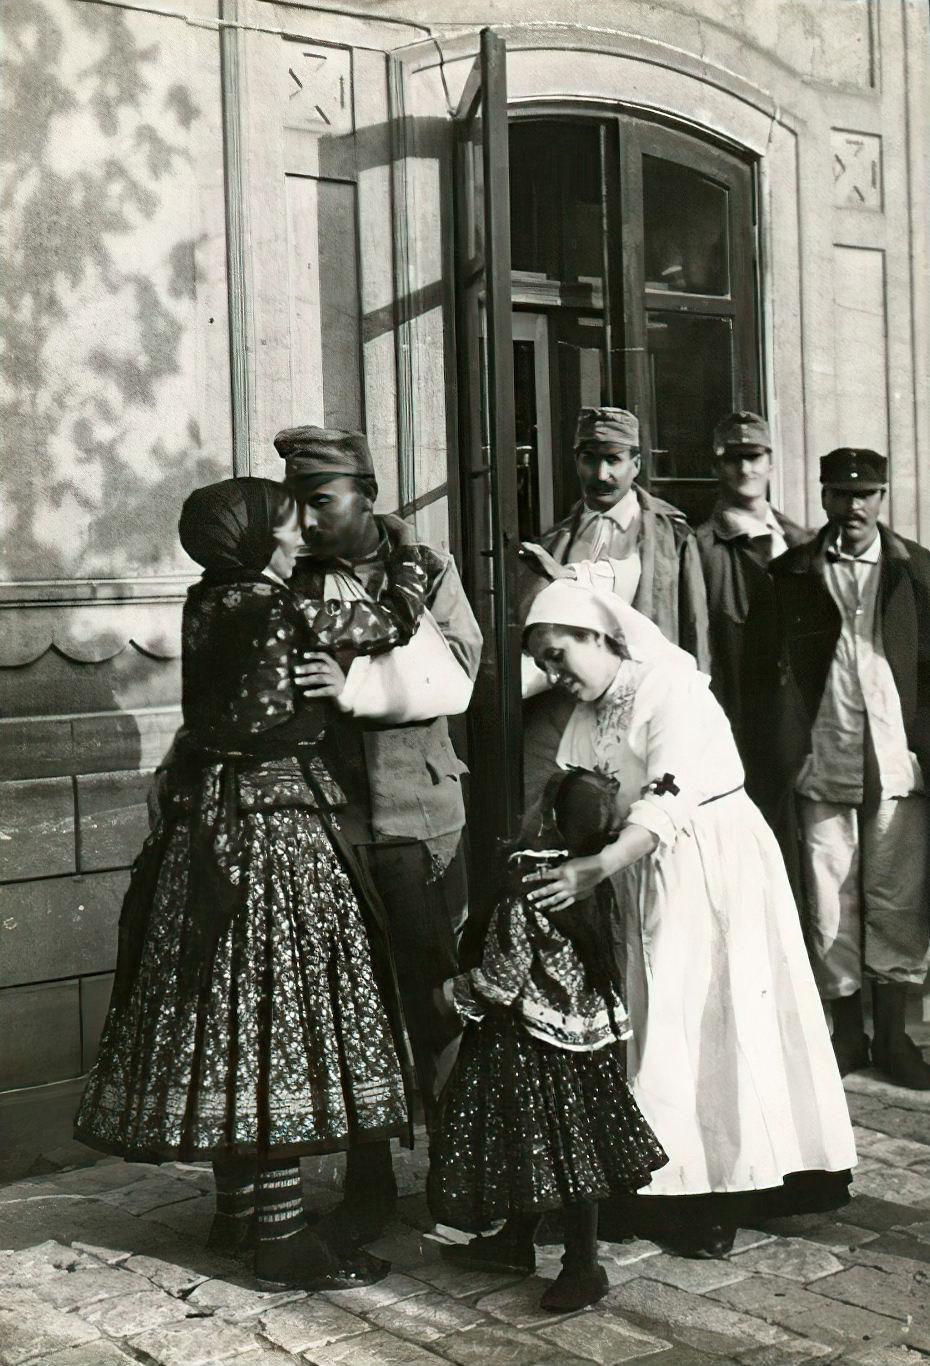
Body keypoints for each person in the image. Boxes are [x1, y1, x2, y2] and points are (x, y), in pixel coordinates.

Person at [74, 477, 435, 1290]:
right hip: (273, 830)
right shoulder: (276, 607)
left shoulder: (207, 601)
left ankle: (237, 1213)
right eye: (285, 515)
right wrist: (410, 555)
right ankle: (281, 1238)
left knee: (227, 1010)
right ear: (257, 538)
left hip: (209, 829)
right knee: (280, 1016)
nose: (298, 523)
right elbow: (391, 620)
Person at [521, 580, 857, 1257]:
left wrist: (597, 867)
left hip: (709, 859)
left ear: (599, 635)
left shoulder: (672, 689)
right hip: (640, 870)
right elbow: (569, 789)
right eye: (545, 664)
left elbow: (668, 796)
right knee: (651, 1020)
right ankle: (657, 1179)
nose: (554, 675)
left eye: (560, 656)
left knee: (709, 1014)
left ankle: (723, 1188)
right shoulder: (589, 709)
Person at [276, 425, 483, 1244]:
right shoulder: (291, 574)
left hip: (416, 820)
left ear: (366, 493)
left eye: (321, 501)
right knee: (350, 1010)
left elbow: (459, 672)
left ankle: (457, 1172)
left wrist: (357, 681)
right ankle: (368, 1183)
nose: (307, 518)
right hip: (331, 824)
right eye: (296, 501)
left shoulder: (426, 571)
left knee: (436, 1001)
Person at [428, 768, 667, 1312]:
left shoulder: (526, 887)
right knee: (561, 1147)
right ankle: (518, 1242)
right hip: (590, 1039)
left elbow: (500, 981)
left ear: (551, 817)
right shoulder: (589, 878)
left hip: (530, 1046)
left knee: (552, 1151)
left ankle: (583, 1266)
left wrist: (448, 993)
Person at [765, 449, 930, 1089]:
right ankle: (847, 1035)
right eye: (840, 494)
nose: (853, 506)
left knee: (898, 900)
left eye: (866, 494)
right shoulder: (793, 574)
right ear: (825, 497)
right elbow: (764, 675)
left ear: (883, 496)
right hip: (822, 758)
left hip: (898, 763)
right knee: (830, 900)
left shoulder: (916, 572)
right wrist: (786, 752)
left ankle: (895, 1039)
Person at [519, 407, 709, 807]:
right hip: (568, 714)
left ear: (636, 463)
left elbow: (695, 631)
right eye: (590, 459)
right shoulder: (557, 540)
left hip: (643, 710)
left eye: (614, 460)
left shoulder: (670, 538)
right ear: (576, 462)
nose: (602, 474)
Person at [696, 412, 807, 788]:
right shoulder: (698, 550)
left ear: (771, 463)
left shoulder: (803, 542)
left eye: (755, 457)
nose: (745, 468)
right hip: (737, 714)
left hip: (799, 719)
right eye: (732, 458)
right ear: (716, 467)